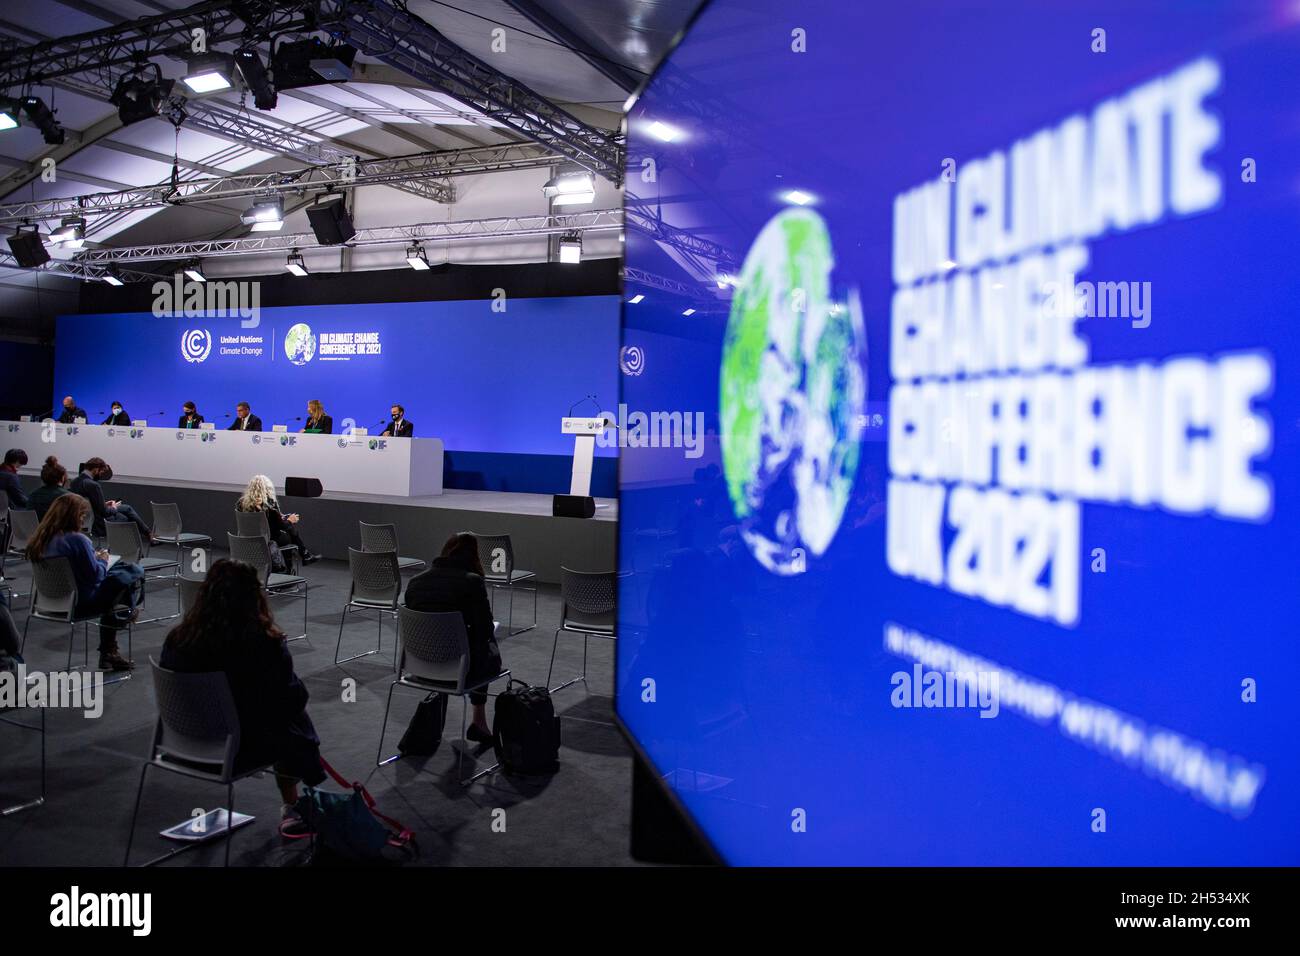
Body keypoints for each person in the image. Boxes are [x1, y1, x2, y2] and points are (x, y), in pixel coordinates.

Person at [160, 559, 325, 837]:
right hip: (235, 749)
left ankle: (298, 803)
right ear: (254, 596)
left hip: (181, 744)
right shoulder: (263, 643)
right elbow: (291, 700)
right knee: (292, 721)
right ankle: (294, 805)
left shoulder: (177, 640)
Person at [403, 532, 504, 743]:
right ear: (474, 556)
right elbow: (484, 629)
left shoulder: (414, 582)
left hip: (419, 666)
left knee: (449, 643)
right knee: (485, 647)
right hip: (458, 669)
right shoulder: (472, 582)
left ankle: (441, 713)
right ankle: (479, 720)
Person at [25, 494, 143, 671]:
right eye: (82, 515)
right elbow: (96, 576)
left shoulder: (39, 540)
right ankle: (119, 632)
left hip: (45, 602)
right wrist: (102, 559)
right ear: (74, 515)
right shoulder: (78, 540)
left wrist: (92, 559)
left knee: (120, 578)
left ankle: (113, 643)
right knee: (126, 576)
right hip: (79, 603)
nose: (83, 519)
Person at [236, 474, 319, 565]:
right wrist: (290, 520)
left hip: (247, 538)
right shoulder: (269, 506)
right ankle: (294, 563)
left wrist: (281, 517)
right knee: (289, 533)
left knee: (289, 530)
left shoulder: (241, 504)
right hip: (267, 539)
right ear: (268, 488)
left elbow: (269, 522)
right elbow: (281, 526)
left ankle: (305, 555)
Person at [69, 457, 152, 540]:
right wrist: (114, 507)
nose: (101, 474)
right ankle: (147, 536)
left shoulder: (74, 482)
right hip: (98, 525)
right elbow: (104, 512)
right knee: (125, 516)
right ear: (96, 469)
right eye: (102, 471)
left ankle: (148, 534)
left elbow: (89, 505)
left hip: (82, 519)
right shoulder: (93, 485)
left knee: (126, 509)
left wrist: (104, 504)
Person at [28, 456, 70, 520]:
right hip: (56, 529)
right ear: (62, 478)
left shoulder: (32, 495)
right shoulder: (68, 496)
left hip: (35, 529)